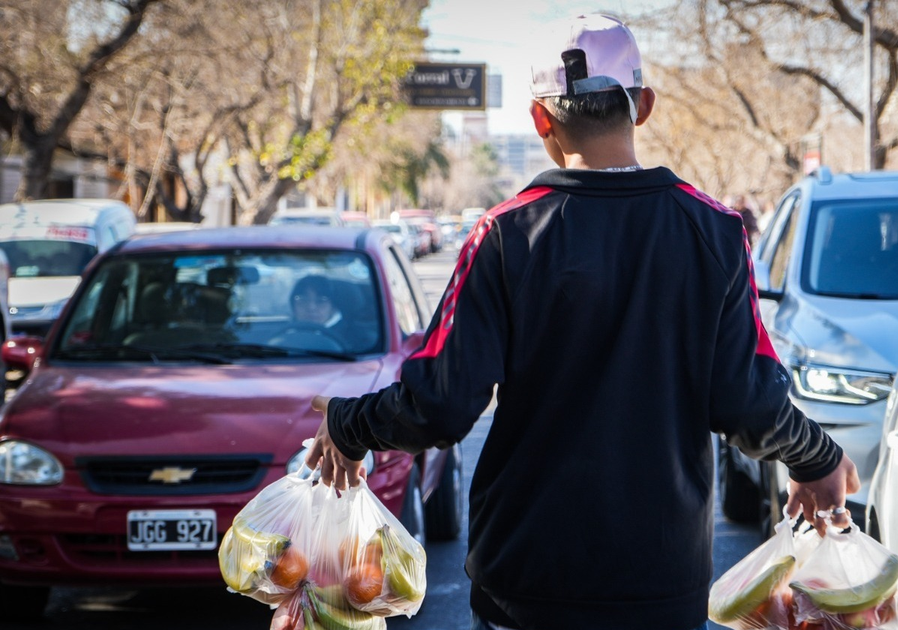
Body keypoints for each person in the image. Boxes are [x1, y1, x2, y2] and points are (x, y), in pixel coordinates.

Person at [305, 14, 858, 630]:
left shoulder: (503, 235)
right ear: (642, 105)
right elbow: (747, 402)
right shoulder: (717, 233)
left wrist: (348, 425)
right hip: (662, 588)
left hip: (525, 588)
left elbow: (438, 404)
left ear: (541, 119)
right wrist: (818, 457)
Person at [288, 275, 354, 348]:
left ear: (333, 307)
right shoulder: (282, 333)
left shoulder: (355, 336)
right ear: (293, 306)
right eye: (303, 299)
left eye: (321, 300)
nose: (311, 307)